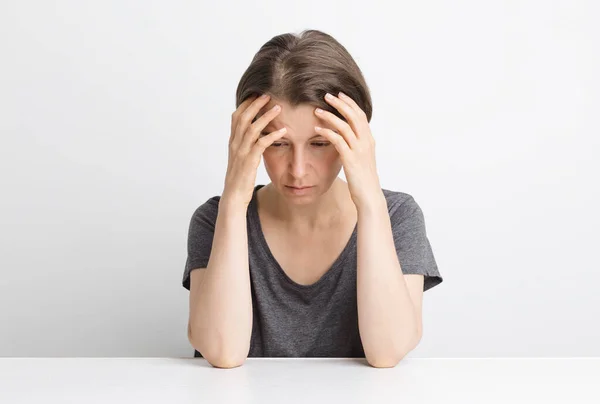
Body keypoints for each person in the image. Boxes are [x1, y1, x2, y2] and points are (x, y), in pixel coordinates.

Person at [182, 29, 443, 369]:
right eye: (277, 143)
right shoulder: (215, 219)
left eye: (319, 144)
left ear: (356, 137)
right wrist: (234, 200)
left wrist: (369, 198)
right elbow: (222, 352)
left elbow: (387, 350)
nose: (298, 170)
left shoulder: (396, 216)